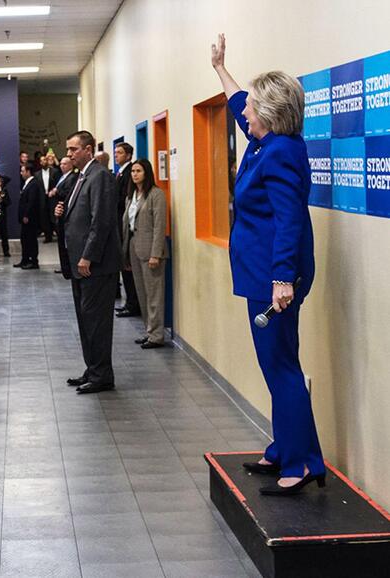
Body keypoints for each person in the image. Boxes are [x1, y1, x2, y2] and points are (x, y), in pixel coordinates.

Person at [211, 34, 324, 495]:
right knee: (278, 363)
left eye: (254, 107)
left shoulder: (279, 154)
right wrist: (220, 68)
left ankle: (299, 465)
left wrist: (281, 278)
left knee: (280, 367)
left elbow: (289, 219)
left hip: (274, 277)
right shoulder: (267, 143)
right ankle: (287, 448)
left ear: (271, 114)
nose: (245, 112)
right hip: (264, 272)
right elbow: (239, 101)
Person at [55, 131, 121, 394]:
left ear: (88, 149)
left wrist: (87, 256)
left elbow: (101, 221)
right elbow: (78, 215)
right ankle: (93, 368)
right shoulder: (81, 177)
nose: (69, 154)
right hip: (80, 264)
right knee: (86, 320)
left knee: (97, 321)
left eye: (74, 149)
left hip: (95, 264)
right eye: (68, 149)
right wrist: (61, 214)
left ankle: (102, 374)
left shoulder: (100, 176)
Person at [122, 159, 168, 348]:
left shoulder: (156, 195)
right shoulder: (131, 195)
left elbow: (159, 226)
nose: (134, 174)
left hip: (151, 251)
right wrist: (125, 253)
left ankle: (157, 335)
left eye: (138, 171)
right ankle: (149, 331)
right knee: (141, 294)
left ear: (146, 173)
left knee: (154, 295)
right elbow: (126, 224)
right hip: (134, 247)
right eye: (132, 171)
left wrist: (155, 254)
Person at [113, 142, 140, 318]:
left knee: (129, 268)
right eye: (115, 152)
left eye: (120, 153)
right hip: (119, 223)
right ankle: (129, 301)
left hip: (126, 225)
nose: (117, 155)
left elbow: (123, 198)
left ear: (129, 155)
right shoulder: (121, 172)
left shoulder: (129, 172)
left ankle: (133, 304)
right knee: (125, 266)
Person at [51, 156, 78, 277]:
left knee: (64, 243)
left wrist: (56, 192)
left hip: (64, 212)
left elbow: (67, 193)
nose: (62, 166)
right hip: (58, 211)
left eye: (65, 164)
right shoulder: (62, 177)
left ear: (71, 165)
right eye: (61, 164)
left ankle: (67, 267)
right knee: (61, 243)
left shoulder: (72, 177)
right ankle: (64, 267)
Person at [15, 161, 41, 269]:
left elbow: (31, 201)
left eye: (22, 171)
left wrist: (26, 215)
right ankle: (25, 259)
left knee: (31, 239)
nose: (21, 173)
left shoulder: (34, 184)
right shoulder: (28, 184)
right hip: (25, 218)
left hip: (30, 218)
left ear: (28, 172)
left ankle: (33, 261)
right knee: (24, 239)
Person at [36, 154, 60, 242]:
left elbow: (59, 183)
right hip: (42, 197)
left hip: (52, 197)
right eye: (41, 160)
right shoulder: (37, 174)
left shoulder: (55, 171)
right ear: (40, 162)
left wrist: (54, 191)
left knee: (53, 215)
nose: (43, 162)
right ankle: (48, 236)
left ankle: (58, 234)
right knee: (44, 217)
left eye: (45, 160)